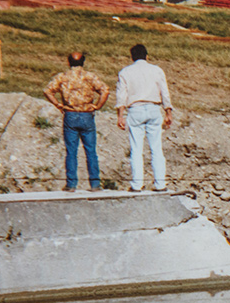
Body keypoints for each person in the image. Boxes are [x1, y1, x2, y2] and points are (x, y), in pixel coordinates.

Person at [43, 52, 110, 191]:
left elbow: (47, 91)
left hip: (70, 115)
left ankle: (71, 184)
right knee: (91, 150)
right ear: (83, 62)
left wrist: (58, 105)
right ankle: (95, 183)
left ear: (68, 62)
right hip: (87, 115)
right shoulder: (90, 76)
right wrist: (97, 106)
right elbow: (105, 90)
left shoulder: (62, 77)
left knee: (71, 151)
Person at [116, 44, 173, 192]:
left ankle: (137, 184)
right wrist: (168, 111)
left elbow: (122, 95)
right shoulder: (157, 70)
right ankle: (160, 184)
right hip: (154, 109)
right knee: (156, 149)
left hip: (135, 110)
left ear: (132, 57)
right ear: (147, 56)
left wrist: (120, 115)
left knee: (136, 149)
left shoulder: (125, 72)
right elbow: (164, 92)